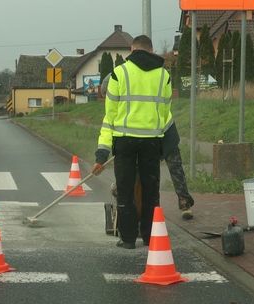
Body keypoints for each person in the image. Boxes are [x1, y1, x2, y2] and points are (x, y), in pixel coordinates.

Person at [92, 35, 171, 249]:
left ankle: (127, 239)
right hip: (152, 142)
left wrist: (102, 154)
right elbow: (165, 115)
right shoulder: (164, 76)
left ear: (132, 49)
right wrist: (165, 146)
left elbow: (110, 118)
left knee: (126, 190)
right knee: (150, 191)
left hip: (125, 141)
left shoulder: (119, 73)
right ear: (151, 49)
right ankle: (149, 237)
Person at [102, 72, 195, 221]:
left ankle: (184, 201)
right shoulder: (125, 99)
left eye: (107, 94)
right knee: (143, 172)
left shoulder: (129, 100)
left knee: (174, 167)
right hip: (151, 135)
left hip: (164, 132)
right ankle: (137, 202)